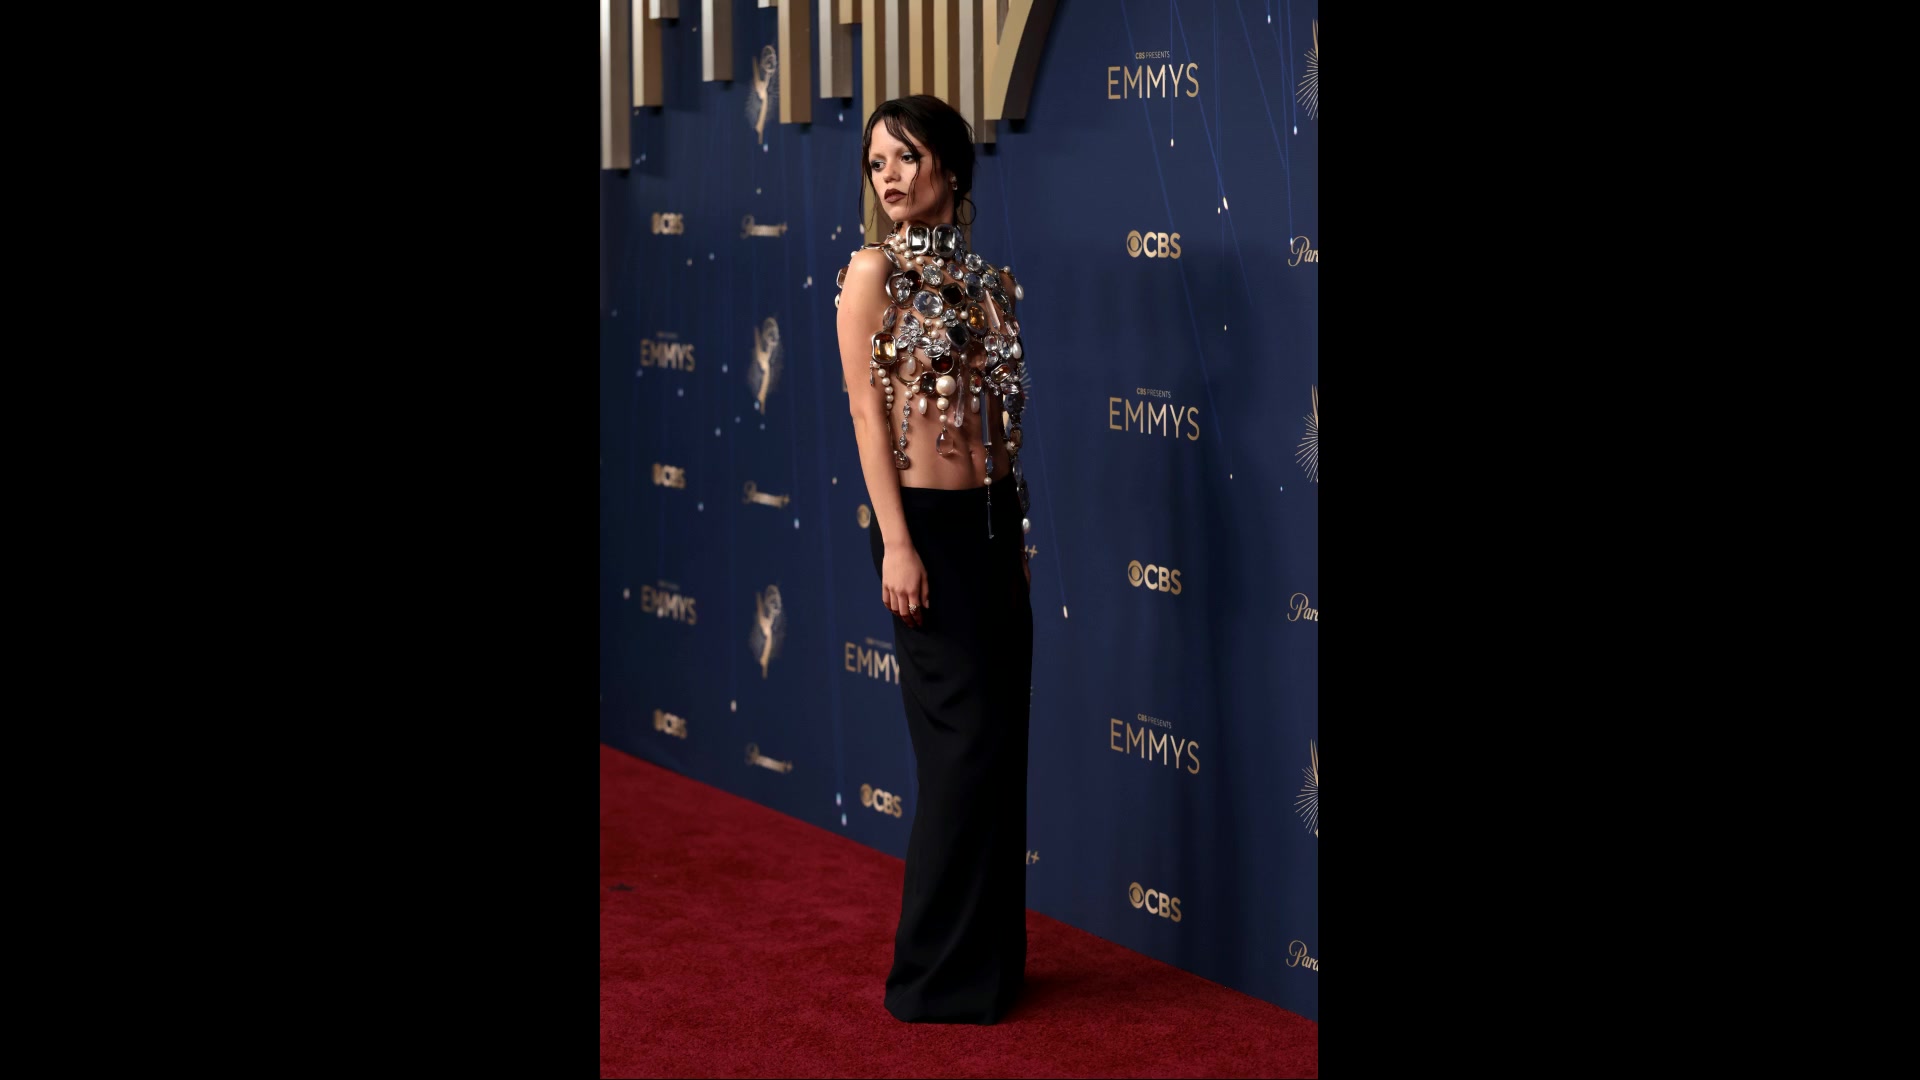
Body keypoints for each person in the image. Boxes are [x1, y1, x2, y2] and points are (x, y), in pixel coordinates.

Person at [833, 94, 1034, 1025]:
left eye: (906, 156)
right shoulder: (872, 271)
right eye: (878, 162)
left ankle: (990, 969)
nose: (890, 175)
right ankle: (929, 979)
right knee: (960, 754)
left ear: (949, 165)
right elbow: (866, 414)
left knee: (999, 750)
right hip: (922, 530)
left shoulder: (989, 280)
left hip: (993, 527)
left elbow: (1002, 426)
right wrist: (898, 544)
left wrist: (1017, 538)